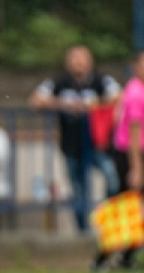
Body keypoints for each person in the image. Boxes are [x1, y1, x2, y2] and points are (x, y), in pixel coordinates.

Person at [30, 45, 120, 233]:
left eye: (83, 58)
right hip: (71, 146)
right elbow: (36, 100)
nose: (79, 62)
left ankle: (107, 221)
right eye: (74, 58)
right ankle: (83, 233)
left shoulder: (101, 81)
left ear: (90, 61)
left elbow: (120, 96)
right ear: (67, 62)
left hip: (99, 145)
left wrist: (93, 106)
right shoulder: (59, 83)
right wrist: (66, 104)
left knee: (113, 179)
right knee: (78, 192)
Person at [94, 50, 144, 272]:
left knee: (139, 210)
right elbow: (133, 130)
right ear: (136, 67)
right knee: (140, 209)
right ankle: (107, 259)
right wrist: (136, 167)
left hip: (134, 153)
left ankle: (120, 258)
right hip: (129, 154)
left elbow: (135, 125)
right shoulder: (136, 93)